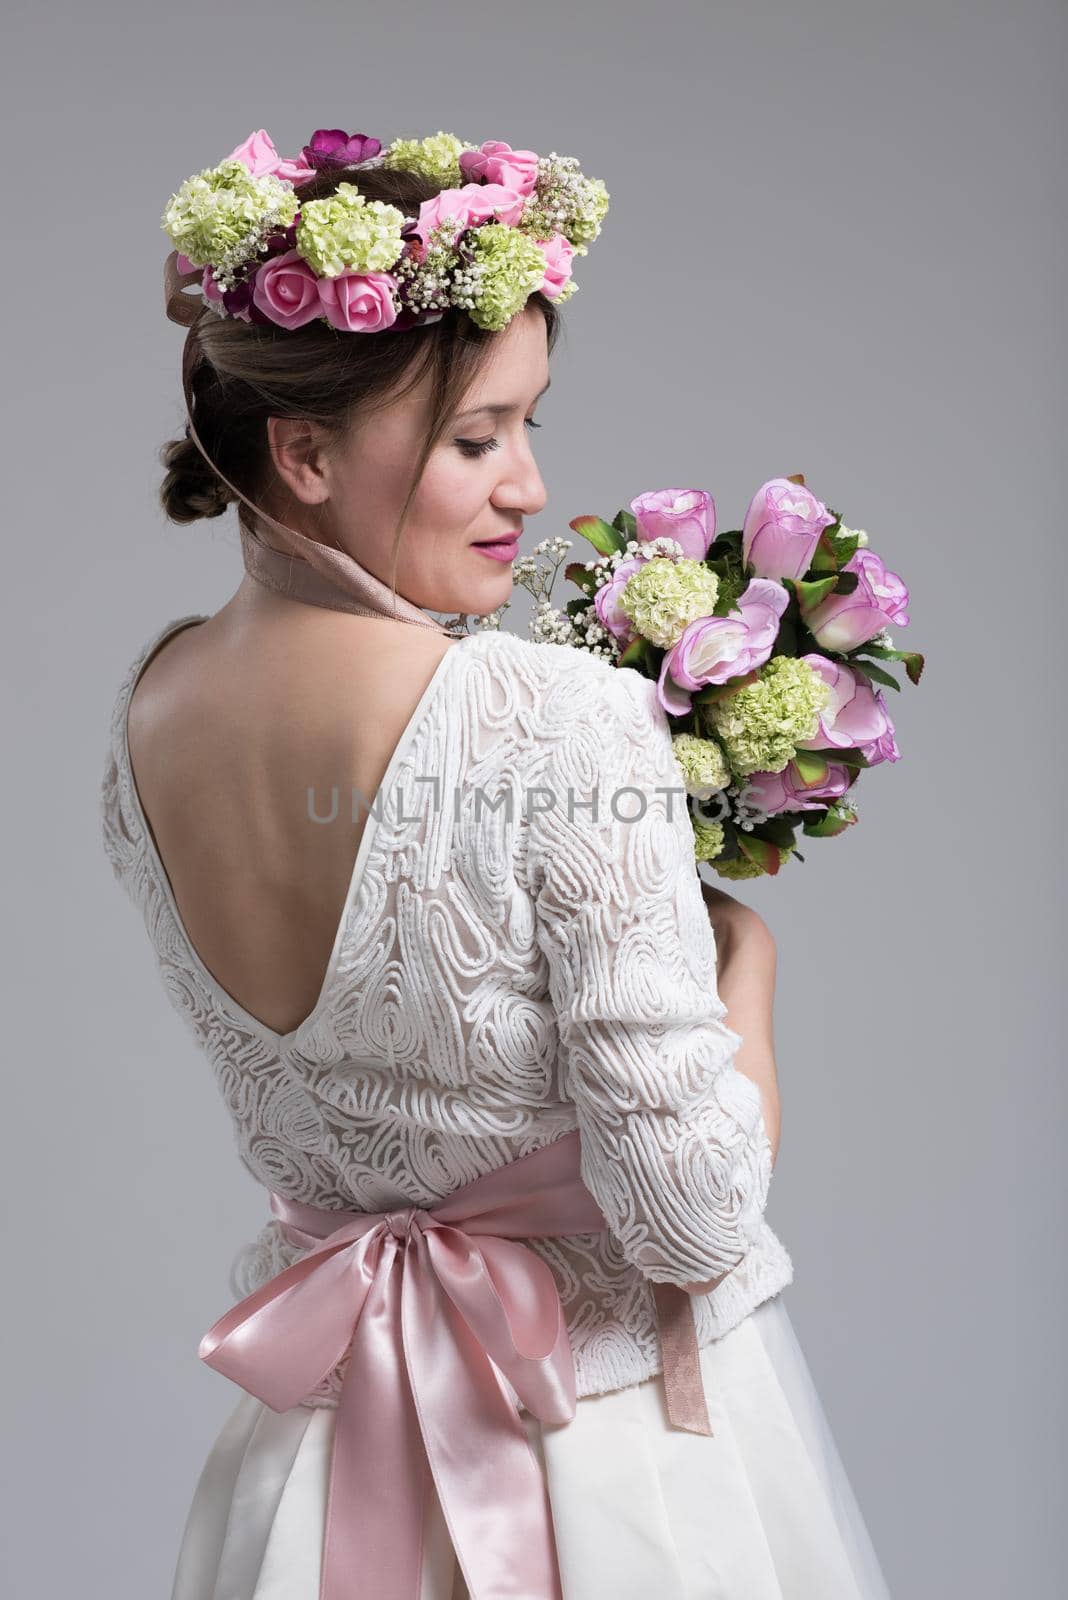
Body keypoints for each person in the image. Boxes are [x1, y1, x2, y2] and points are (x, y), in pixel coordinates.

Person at [100, 129, 894, 1599]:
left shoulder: (150, 713)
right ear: (309, 450)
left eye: (528, 425)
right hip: (599, 1460)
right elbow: (696, 1222)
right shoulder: (555, 714)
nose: (528, 486)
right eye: (476, 438)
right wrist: (752, 976)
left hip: (318, 1464)